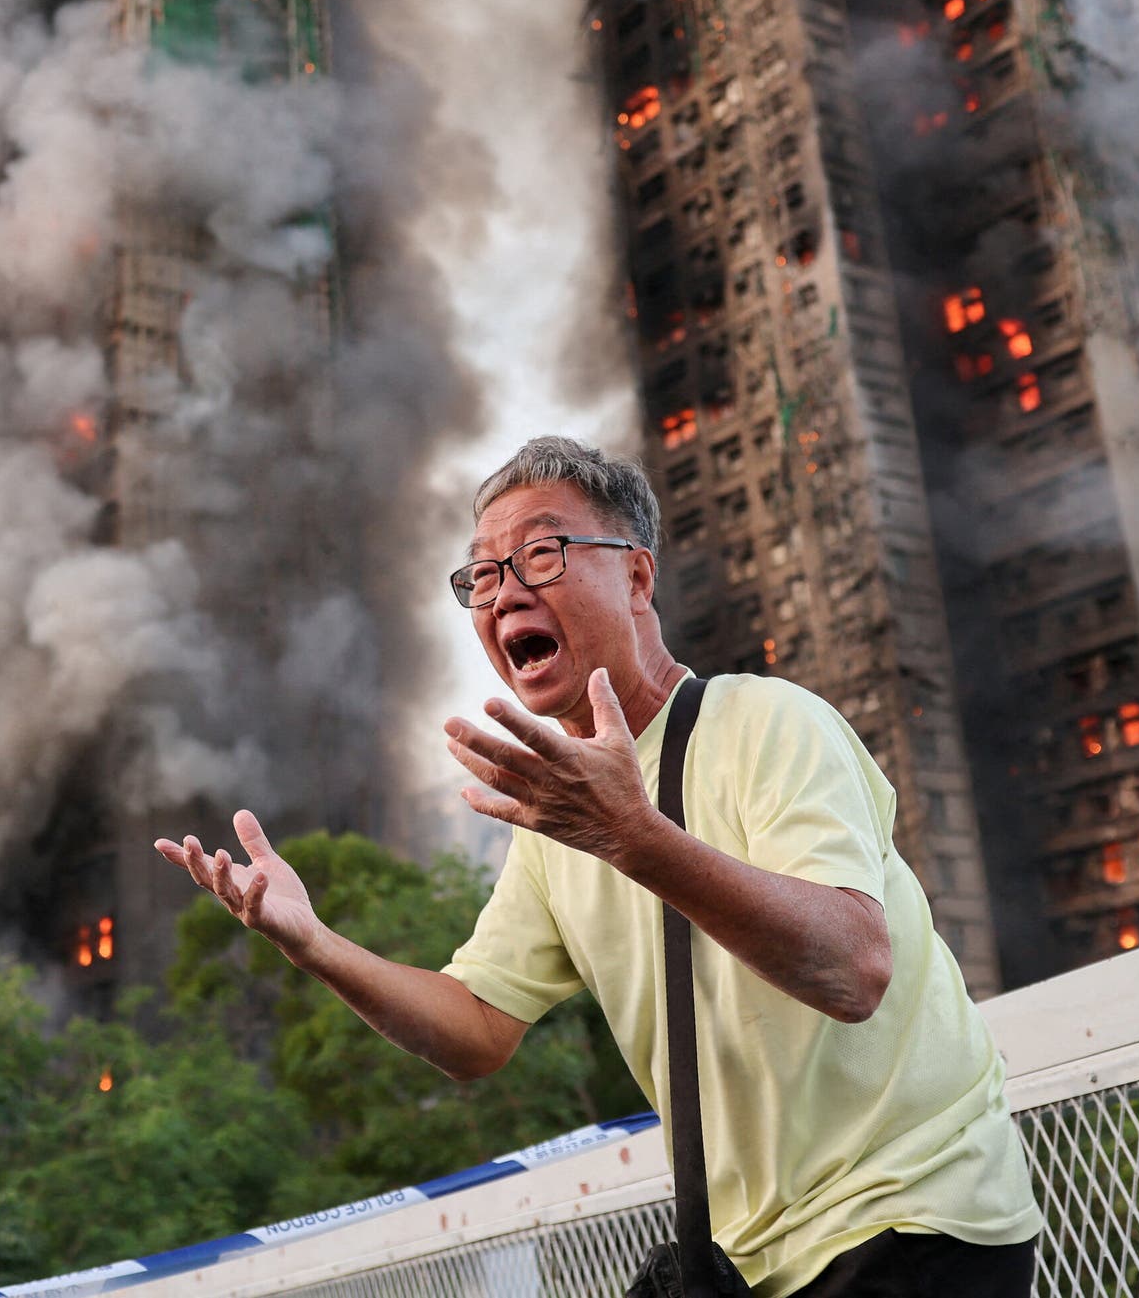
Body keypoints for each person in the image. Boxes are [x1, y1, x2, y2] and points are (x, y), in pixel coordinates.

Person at [156, 436, 1041, 1297]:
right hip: (749, 1261)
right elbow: (475, 1029)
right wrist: (314, 944)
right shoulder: (555, 824)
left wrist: (632, 835)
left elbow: (854, 968)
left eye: (542, 553)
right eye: (484, 575)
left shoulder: (770, 722)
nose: (506, 592)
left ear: (638, 575)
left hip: (912, 1218)